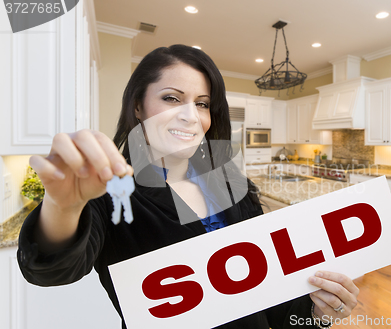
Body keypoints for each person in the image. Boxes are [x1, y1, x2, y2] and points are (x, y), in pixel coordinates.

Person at [17, 45, 359, 329]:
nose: (191, 115)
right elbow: (51, 269)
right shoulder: (109, 192)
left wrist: (317, 314)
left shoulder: (226, 181)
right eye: (171, 98)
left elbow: (269, 289)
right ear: (138, 106)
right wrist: (63, 205)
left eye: (202, 103)